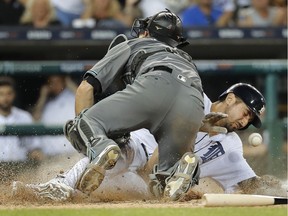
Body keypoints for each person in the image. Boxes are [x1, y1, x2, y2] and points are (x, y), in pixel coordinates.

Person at [13, 83, 286, 201]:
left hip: (143, 185)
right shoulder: (194, 97)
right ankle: (56, 185)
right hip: (135, 151)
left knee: (92, 192)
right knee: (114, 152)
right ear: (229, 99)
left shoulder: (231, 147)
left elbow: (248, 183)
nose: (245, 121)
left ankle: (59, 187)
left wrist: (279, 186)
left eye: (251, 119)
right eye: (245, 112)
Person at [63, 8, 205, 201]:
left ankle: (101, 146)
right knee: (160, 186)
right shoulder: (186, 59)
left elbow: (85, 89)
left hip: (155, 83)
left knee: (81, 124)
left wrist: (91, 140)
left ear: (147, 32)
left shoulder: (136, 43)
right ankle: (178, 169)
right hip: (194, 101)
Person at [0, 77, 40, 183]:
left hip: (20, 167)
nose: (5, 98)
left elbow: (34, 148)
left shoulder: (24, 117)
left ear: (14, 95)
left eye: (9, 93)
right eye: (1, 94)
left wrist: (38, 158)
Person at [32, 75, 77, 157]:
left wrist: (69, 82)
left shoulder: (72, 97)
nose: (54, 85)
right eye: (51, 82)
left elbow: (86, 102)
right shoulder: (47, 103)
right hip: (49, 155)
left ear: (64, 82)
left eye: (57, 82)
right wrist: (43, 96)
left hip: (71, 154)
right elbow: (35, 119)